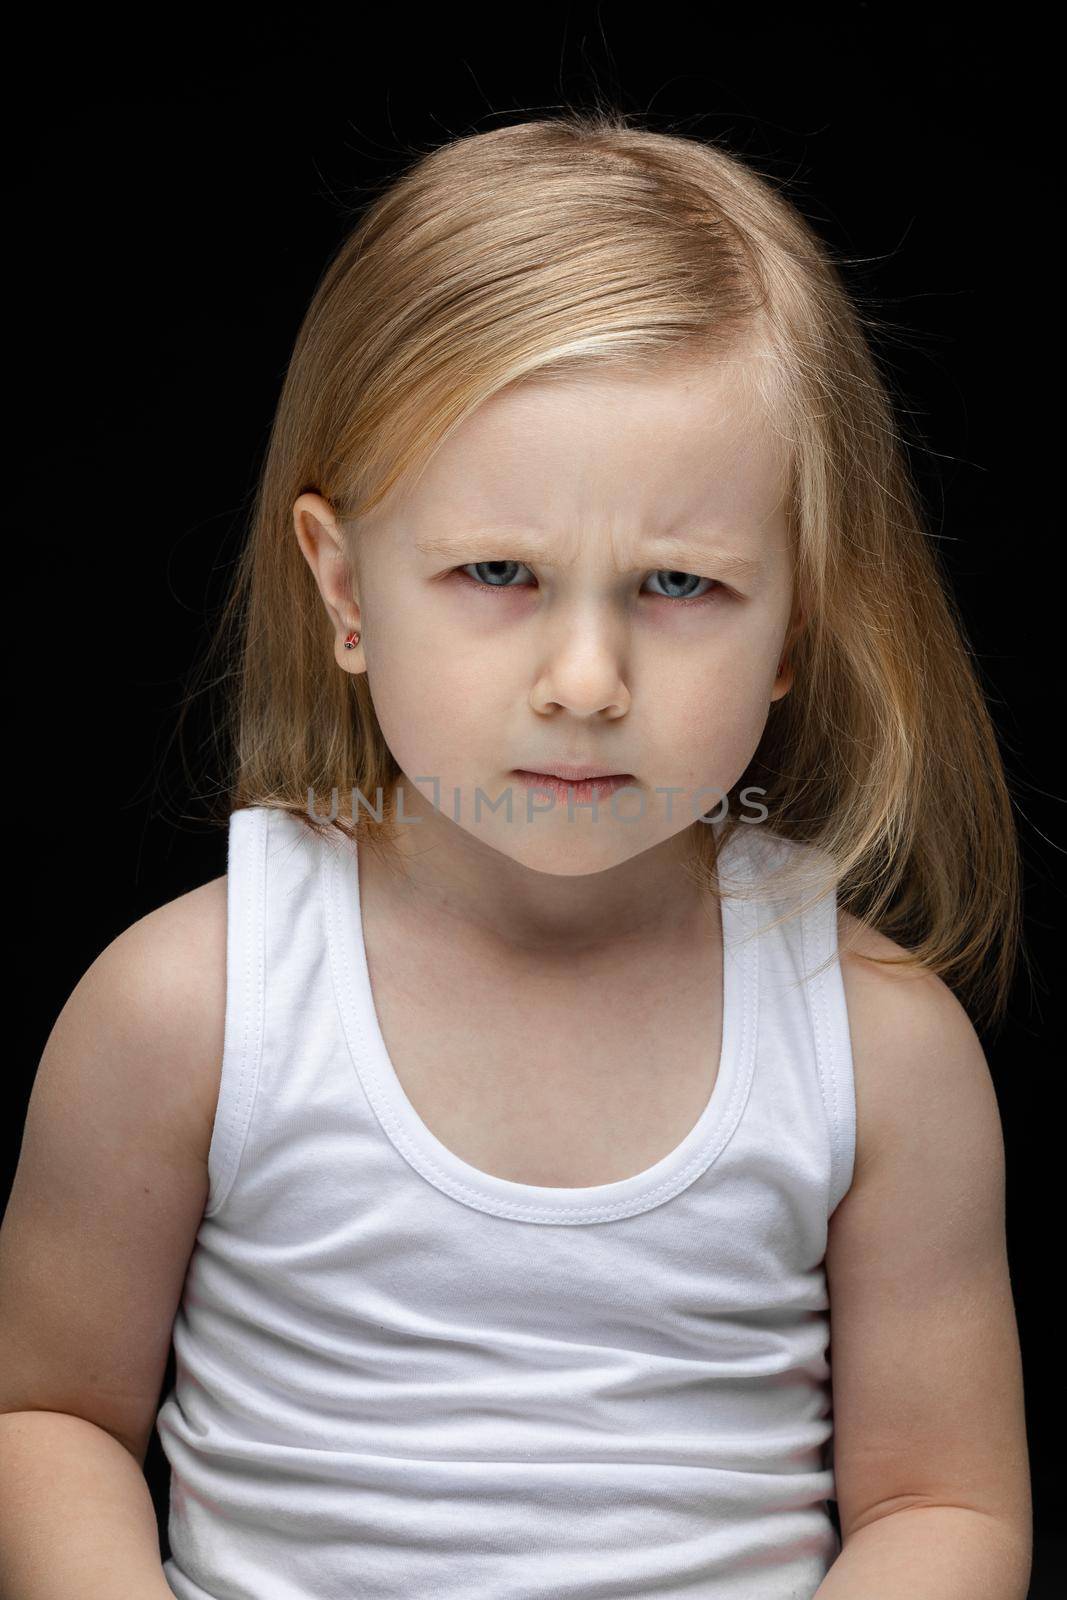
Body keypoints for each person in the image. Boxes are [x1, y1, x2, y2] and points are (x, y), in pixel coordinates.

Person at [0, 107, 1032, 1599]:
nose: (588, 679)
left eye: (681, 583)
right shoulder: (191, 1010)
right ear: (344, 590)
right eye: (499, 573)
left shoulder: (877, 1050)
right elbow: (49, 1416)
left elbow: (947, 1509)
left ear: (797, 627)